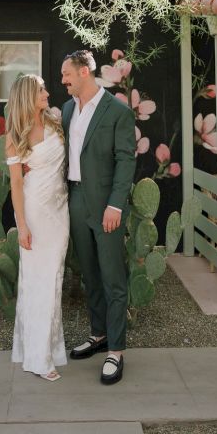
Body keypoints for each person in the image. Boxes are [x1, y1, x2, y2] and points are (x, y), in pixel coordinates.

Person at [61, 50, 136, 385]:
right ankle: (99, 334)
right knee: (89, 271)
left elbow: (126, 160)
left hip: (107, 204)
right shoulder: (66, 109)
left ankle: (116, 350)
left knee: (112, 276)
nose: (62, 80)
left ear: (84, 73)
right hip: (76, 199)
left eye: (67, 74)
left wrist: (116, 205)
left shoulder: (118, 110)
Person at [6, 74, 69, 382]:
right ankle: (38, 357)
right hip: (35, 213)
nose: (47, 93)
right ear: (28, 96)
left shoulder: (55, 119)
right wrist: (22, 225)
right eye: (41, 89)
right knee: (38, 282)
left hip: (61, 211)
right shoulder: (15, 135)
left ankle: (50, 350)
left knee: (54, 279)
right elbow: (16, 184)